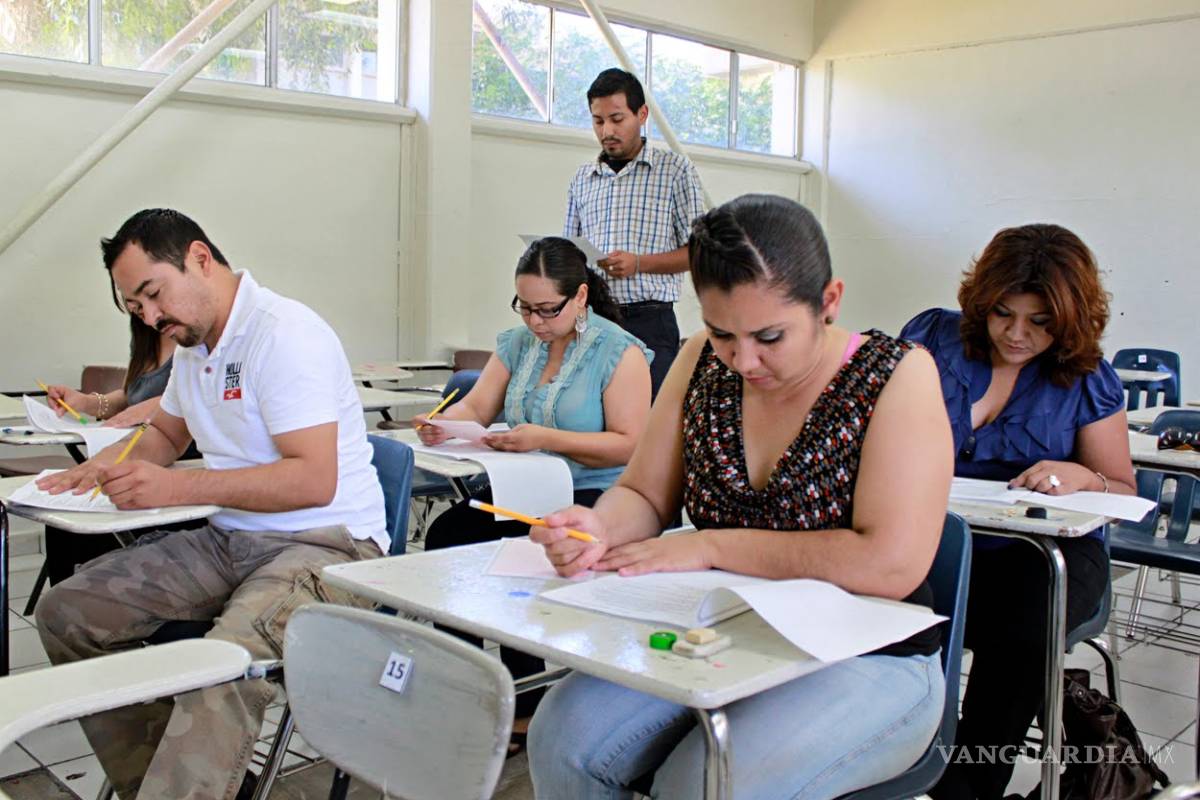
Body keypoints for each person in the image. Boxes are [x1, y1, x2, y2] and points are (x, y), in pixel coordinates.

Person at [527, 194, 954, 799]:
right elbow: (644, 494)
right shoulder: (702, 361)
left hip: (867, 655)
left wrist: (711, 547)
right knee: (561, 740)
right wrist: (598, 528)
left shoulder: (897, 374)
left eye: (770, 336)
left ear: (829, 301)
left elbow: (890, 564)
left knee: (704, 785)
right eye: (722, 331)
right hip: (726, 633)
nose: (743, 359)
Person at [34, 208, 387, 800]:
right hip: (232, 539)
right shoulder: (194, 346)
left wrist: (178, 488)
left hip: (326, 545)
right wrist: (106, 466)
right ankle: (171, 786)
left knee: (219, 667)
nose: (151, 318)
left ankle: (186, 786)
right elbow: (165, 434)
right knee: (66, 614)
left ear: (199, 258)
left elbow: (313, 480)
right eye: (136, 308)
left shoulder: (283, 333)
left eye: (153, 295)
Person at [900, 223, 1135, 800]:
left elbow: (1123, 489)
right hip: (938, 540)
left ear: (1070, 320)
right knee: (882, 598)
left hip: (1045, 555)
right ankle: (887, 756)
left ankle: (969, 787)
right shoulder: (933, 340)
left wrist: (1085, 477)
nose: (1016, 334)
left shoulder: (1085, 377)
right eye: (1002, 314)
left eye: (1040, 322)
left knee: (1027, 619)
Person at [416, 236, 652, 744]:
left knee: (525, 547)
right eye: (525, 307)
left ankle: (526, 700)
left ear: (581, 296)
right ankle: (472, 684)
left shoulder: (619, 352)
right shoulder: (518, 343)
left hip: (593, 496)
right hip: (523, 487)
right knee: (447, 537)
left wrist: (545, 438)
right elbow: (477, 408)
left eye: (548, 309)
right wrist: (444, 423)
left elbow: (631, 445)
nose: (536, 322)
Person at [564, 67, 705, 398]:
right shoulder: (582, 179)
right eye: (598, 121)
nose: (607, 131)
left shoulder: (675, 171)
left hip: (650, 321)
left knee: (648, 415)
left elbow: (700, 251)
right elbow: (570, 250)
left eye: (617, 119)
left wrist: (639, 263)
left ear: (642, 114)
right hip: (593, 319)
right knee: (591, 413)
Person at [41, 315, 187, 585]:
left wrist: (163, 405)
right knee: (62, 519)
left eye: (148, 296)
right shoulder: (145, 334)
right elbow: (131, 396)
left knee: (86, 530)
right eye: (131, 304)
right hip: (134, 451)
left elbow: (189, 404)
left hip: (173, 462)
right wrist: (87, 402)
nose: (143, 311)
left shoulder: (195, 338)